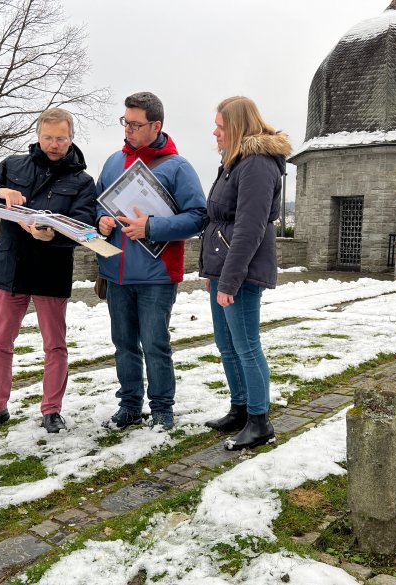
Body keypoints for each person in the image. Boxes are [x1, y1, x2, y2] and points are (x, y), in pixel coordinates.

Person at [0, 107, 96, 436]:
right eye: (48, 137)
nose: (54, 144)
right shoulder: (12, 165)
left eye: (61, 138)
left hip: (52, 269)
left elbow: (84, 227)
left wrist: (50, 236)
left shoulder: (82, 181)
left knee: (55, 346)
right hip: (12, 267)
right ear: (38, 136)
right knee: (0, 343)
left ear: (71, 138)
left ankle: (52, 411)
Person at [96, 92, 206, 431]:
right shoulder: (114, 161)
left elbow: (198, 216)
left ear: (156, 125)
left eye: (135, 124)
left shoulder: (178, 167)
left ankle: (162, 409)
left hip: (157, 276)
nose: (127, 129)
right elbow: (98, 204)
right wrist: (101, 220)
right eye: (125, 122)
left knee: (155, 345)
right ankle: (129, 406)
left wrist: (152, 226)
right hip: (116, 271)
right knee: (124, 345)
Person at [200, 96, 292, 450]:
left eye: (221, 127)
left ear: (236, 127)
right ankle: (239, 409)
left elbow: (249, 229)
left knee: (246, 346)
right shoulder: (232, 163)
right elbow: (218, 219)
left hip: (241, 272)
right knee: (227, 345)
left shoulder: (256, 165)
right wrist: (214, 272)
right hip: (223, 270)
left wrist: (230, 280)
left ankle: (259, 421)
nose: (215, 132)